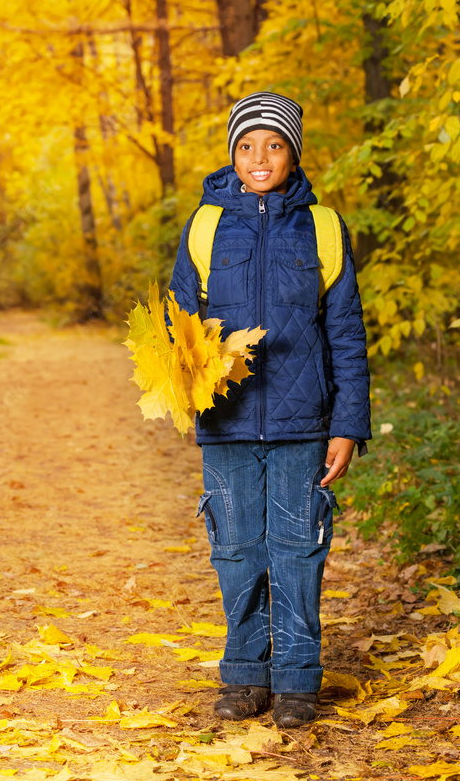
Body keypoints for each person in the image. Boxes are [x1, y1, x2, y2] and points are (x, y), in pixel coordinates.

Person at [167, 90, 371, 728]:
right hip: (227, 420)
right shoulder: (204, 227)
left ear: (294, 153)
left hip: (304, 421)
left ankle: (296, 682)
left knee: (298, 547)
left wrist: (348, 425)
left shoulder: (323, 228)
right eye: (247, 145)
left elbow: (346, 335)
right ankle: (245, 676)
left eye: (275, 144)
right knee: (235, 548)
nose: (261, 157)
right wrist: (187, 392)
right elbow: (178, 329)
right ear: (231, 154)